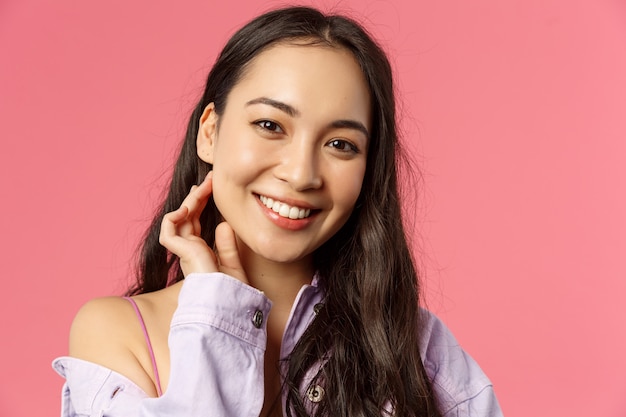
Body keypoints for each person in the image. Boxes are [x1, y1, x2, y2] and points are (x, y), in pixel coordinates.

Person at [53, 6, 503, 417]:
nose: (302, 173)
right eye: (270, 125)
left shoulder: (414, 346)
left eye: (340, 144)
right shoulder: (118, 334)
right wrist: (217, 310)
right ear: (209, 132)